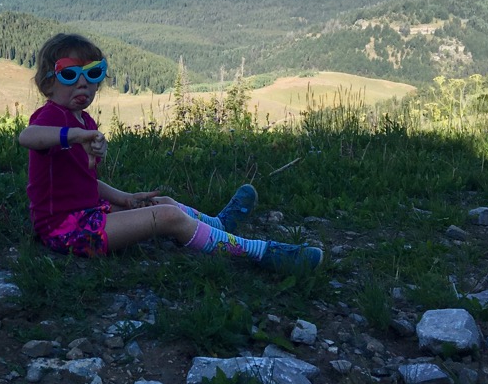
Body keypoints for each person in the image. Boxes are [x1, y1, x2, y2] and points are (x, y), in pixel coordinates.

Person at [18, 32, 324, 272]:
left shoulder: (84, 121)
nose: (83, 83)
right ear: (47, 84)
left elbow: (82, 180)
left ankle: (217, 226)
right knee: (166, 216)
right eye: (69, 74)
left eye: (93, 73)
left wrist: (125, 198)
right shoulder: (52, 117)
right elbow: (27, 137)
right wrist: (74, 136)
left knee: (161, 202)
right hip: (65, 230)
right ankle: (260, 253)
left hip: (87, 215)